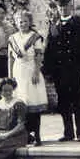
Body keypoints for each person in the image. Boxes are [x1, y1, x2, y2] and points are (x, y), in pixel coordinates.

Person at [43, 0, 80, 142]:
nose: (63, 10)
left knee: (78, 102)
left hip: (76, 70)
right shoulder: (53, 27)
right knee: (63, 103)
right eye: (60, 7)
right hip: (60, 72)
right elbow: (48, 51)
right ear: (57, 9)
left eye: (66, 7)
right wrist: (47, 71)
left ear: (71, 7)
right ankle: (68, 133)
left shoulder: (79, 24)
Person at [9, 9, 49, 146]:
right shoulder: (13, 38)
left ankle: (37, 135)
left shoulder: (35, 37)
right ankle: (24, 136)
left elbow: (39, 55)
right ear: (16, 23)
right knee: (20, 104)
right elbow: (10, 59)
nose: (23, 24)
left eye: (25, 21)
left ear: (29, 22)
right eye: (20, 21)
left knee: (33, 103)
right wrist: (10, 77)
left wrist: (36, 72)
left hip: (31, 70)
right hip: (18, 72)